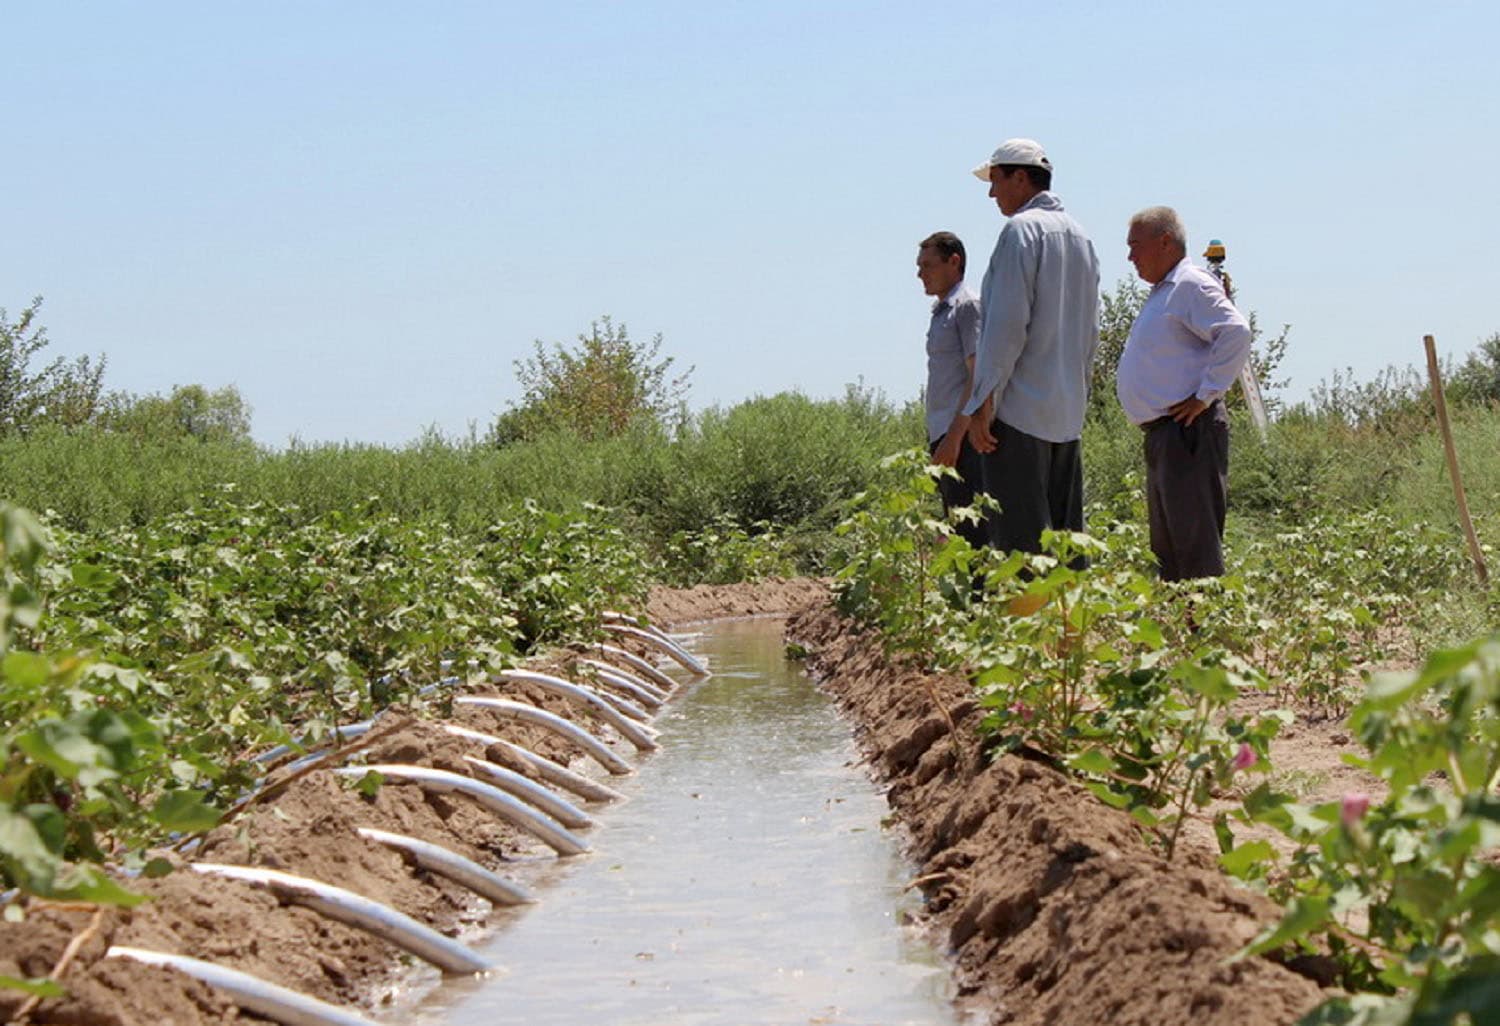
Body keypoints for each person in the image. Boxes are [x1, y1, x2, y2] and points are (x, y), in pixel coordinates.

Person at [962, 139, 1100, 556]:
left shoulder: (1021, 231)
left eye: (996, 181)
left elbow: (1005, 328)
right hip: (1066, 413)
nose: (991, 193)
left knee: (1022, 550)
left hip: (1020, 414)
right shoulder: (1081, 235)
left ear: (1020, 177)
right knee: (1066, 546)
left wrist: (982, 400)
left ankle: (1027, 622)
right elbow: (1090, 331)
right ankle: (1070, 623)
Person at [1116, 206, 1252, 581]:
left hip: (1188, 432)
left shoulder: (1190, 283)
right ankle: (1184, 633)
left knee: (1194, 547)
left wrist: (1206, 394)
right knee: (1169, 549)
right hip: (1165, 435)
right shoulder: (1166, 291)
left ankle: (1206, 633)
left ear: (1165, 242)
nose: (1130, 257)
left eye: (1135, 246)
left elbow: (1236, 332)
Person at [916, 231, 987, 549]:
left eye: (928, 265)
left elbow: (978, 376)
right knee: (953, 528)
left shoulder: (967, 306)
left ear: (953, 262)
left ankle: (978, 597)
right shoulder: (941, 311)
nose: (920, 273)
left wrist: (954, 439)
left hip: (962, 440)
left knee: (969, 532)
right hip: (944, 435)